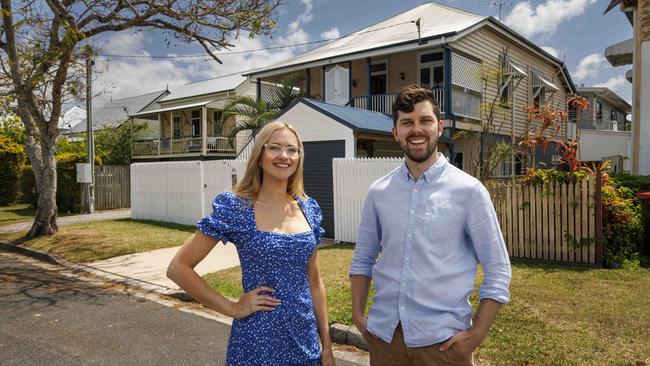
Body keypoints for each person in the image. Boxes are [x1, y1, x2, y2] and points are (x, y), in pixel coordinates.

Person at [349, 85, 512, 366]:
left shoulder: (469, 191)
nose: (416, 130)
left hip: (443, 346)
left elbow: (498, 269)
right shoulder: (379, 192)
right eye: (407, 123)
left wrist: (475, 335)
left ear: (439, 126)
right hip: (386, 340)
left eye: (425, 120)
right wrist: (358, 315)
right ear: (395, 132)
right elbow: (363, 257)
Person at [167, 121, 335, 366]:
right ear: (259, 154)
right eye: (274, 148)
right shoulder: (238, 207)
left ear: (299, 157)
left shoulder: (308, 208)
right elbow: (178, 268)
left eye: (292, 150)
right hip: (257, 344)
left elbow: (314, 281)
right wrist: (232, 308)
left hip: (305, 344)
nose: (284, 156)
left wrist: (327, 346)